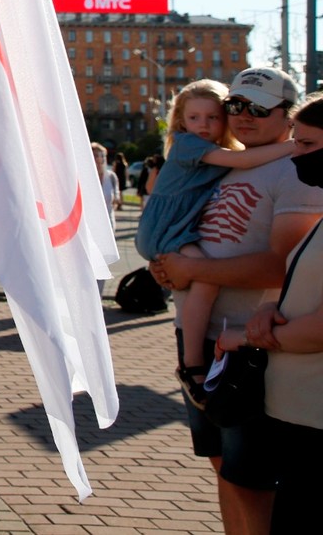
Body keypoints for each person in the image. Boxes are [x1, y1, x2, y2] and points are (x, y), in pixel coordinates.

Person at [151, 67, 323, 533]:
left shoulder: (298, 170)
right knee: (224, 466)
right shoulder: (223, 163)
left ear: (287, 117)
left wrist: (193, 271)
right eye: (237, 106)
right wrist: (165, 264)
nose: (243, 117)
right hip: (199, 337)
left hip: (247, 347)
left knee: (252, 480)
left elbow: (282, 265)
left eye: (259, 109)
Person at [137, 79, 294, 406]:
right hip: (167, 231)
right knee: (206, 281)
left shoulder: (218, 153)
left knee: (203, 279)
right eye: (194, 118)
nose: (203, 125)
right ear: (181, 121)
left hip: (174, 234)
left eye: (213, 117)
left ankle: (191, 362)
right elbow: (245, 161)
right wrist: (297, 144)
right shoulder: (190, 145)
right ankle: (192, 364)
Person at [216, 92, 323, 533]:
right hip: (297, 416)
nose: (296, 156)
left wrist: (245, 336)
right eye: (295, 143)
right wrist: (272, 308)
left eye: (308, 145)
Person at [92, 142, 122, 230]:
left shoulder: (111, 176)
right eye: (95, 156)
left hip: (108, 223)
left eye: (102, 156)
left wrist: (116, 200)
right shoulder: (83, 177)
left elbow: (117, 197)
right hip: (91, 224)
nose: (99, 159)